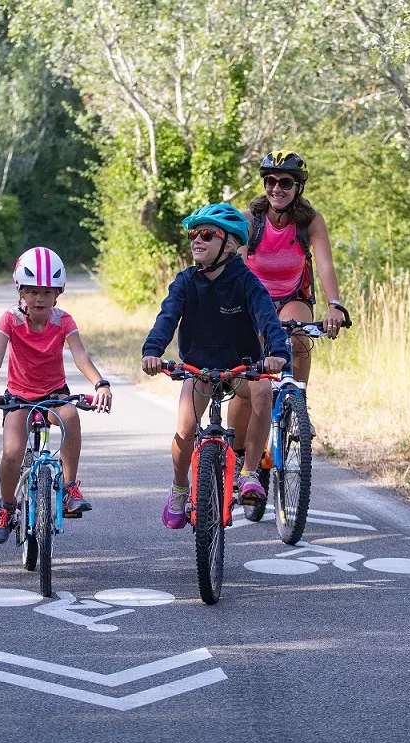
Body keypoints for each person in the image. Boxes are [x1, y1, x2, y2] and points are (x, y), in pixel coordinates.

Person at [140, 204, 289, 529]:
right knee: (185, 429)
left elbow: (267, 318)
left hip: (242, 368)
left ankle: (249, 474)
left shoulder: (247, 282)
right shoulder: (186, 281)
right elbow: (167, 318)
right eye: (194, 234)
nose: (197, 240)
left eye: (207, 234)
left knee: (264, 389)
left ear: (231, 244)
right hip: (199, 368)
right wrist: (153, 350)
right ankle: (180, 488)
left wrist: (277, 351)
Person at [0, 247, 114, 543]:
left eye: (47, 292)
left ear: (58, 293)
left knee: (70, 416)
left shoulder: (63, 321)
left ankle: (69, 488)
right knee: (12, 452)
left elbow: (80, 357)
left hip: (54, 394)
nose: (39, 299)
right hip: (18, 397)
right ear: (21, 292)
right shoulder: (10, 320)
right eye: (32, 292)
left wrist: (100, 384)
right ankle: (6, 506)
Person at [229, 150, 346, 476]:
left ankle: (297, 404)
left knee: (297, 337)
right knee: (246, 390)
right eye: (270, 181)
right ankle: (238, 454)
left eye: (284, 182)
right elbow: (235, 268)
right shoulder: (249, 219)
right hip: (254, 301)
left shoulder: (310, 221)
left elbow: (324, 264)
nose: (276, 188)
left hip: (293, 296)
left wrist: (334, 305)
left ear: (298, 187)